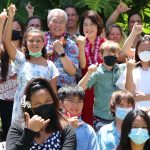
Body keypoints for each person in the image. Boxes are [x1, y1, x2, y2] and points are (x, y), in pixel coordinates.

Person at [3, 4, 59, 123]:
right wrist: (11, 17)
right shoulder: (21, 61)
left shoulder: (50, 66)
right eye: (31, 40)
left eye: (38, 40)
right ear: (26, 43)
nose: (35, 43)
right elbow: (7, 41)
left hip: (42, 111)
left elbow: (54, 94)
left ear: (43, 43)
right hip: (21, 107)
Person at [6, 78, 76, 150]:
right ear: (29, 106)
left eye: (47, 100)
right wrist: (29, 132)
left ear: (54, 100)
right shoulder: (19, 127)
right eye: (37, 103)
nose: (44, 105)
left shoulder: (65, 128)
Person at [78, 40, 126, 132]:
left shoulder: (121, 68)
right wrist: (89, 73)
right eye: (108, 55)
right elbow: (80, 88)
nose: (111, 57)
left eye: (114, 55)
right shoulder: (97, 72)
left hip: (119, 117)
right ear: (101, 55)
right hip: (101, 118)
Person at [79, 10, 106, 126]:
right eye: (85, 24)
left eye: (92, 24)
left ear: (98, 26)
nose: (88, 27)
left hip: (102, 87)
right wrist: (81, 46)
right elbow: (83, 66)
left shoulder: (105, 43)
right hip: (86, 86)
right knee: (86, 120)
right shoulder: (79, 43)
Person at [58, 84, 100, 150]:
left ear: (83, 104)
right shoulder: (53, 126)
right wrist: (67, 128)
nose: (75, 105)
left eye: (79, 101)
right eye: (71, 100)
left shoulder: (88, 129)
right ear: (60, 104)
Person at [45, 8, 79, 88]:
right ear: (48, 23)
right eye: (55, 21)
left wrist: (61, 52)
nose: (58, 25)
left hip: (65, 90)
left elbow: (72, 72)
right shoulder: (41, 41)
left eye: (61, 22)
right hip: (45, 88)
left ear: (65, 25)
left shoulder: (71, 44)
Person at [116, 35, 150, 110]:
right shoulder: (131, 68)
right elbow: (129, 91)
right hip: (136, 113)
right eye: (141, 50)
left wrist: (144, 97)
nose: (145, 52)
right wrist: (129, 70)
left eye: (148, 50)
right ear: (136, 51)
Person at [0, 9, 18, 141]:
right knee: (7, 131)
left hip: (21, 100)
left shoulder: (24, 53)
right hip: (4, 99)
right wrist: (2, 21)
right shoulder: (2, 52)